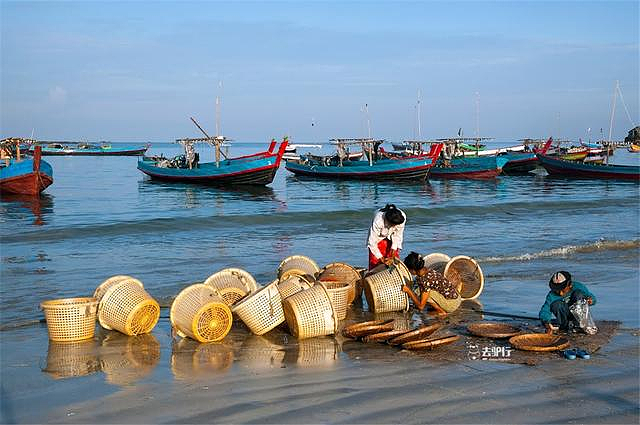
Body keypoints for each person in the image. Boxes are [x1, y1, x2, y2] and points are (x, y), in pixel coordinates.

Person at [401, 251, 461, 317]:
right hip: (456, 297)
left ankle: (441, 312)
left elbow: (421, 307)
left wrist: (408, 291)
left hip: (452, 304)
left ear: (413, 270)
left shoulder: (425, 280)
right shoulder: (427, 270)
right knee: (420, 291)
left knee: (427, 294)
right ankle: (438, 306)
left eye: (408, 269)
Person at [367, 204, 406, 270]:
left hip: (391, 237)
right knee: (375, 260)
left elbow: (397, 236)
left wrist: (392, 254)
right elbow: (372, 242)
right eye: (393, 225)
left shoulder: (401, 218)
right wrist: (381, 258)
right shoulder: (378, 221)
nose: (394, 227)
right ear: (388, 221)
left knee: (394, 260)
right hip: (378, 237)